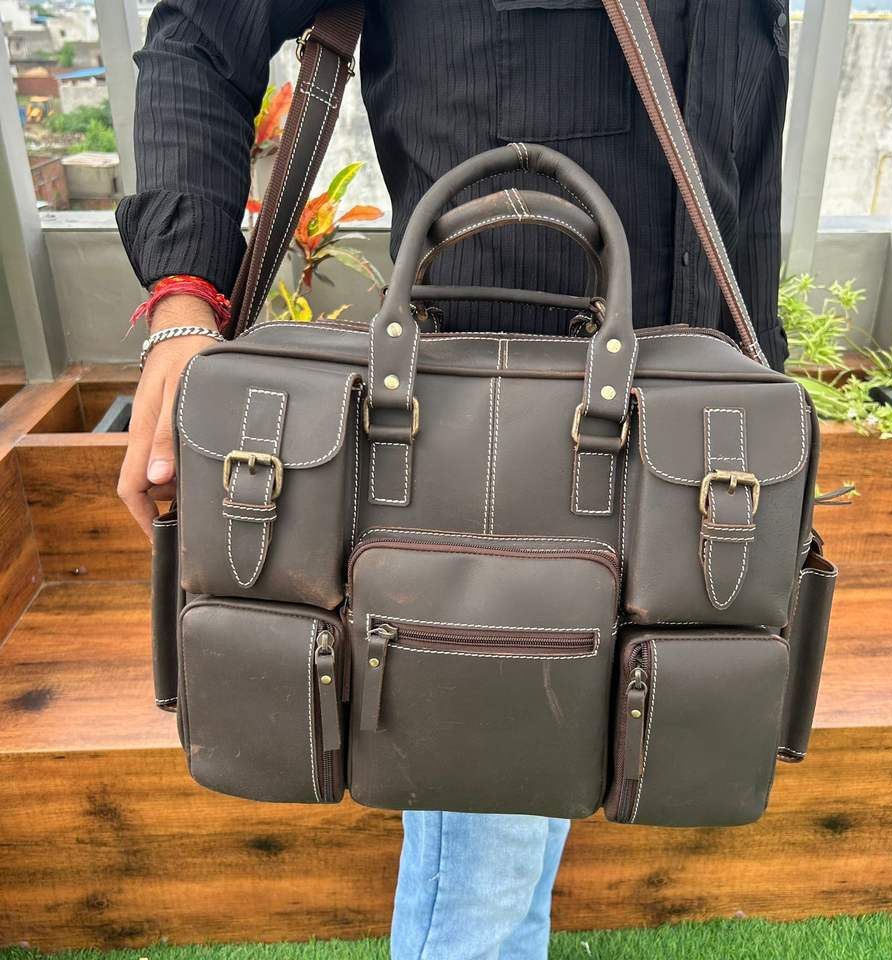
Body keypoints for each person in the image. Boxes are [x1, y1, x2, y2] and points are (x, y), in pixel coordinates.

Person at [116, 1, 790, 957]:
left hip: (688, 448)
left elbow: (735, 163)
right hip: (477, 462)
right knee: (489, 867)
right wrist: (183, 302)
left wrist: (759, 383)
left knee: (546, 809)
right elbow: (199, 31)